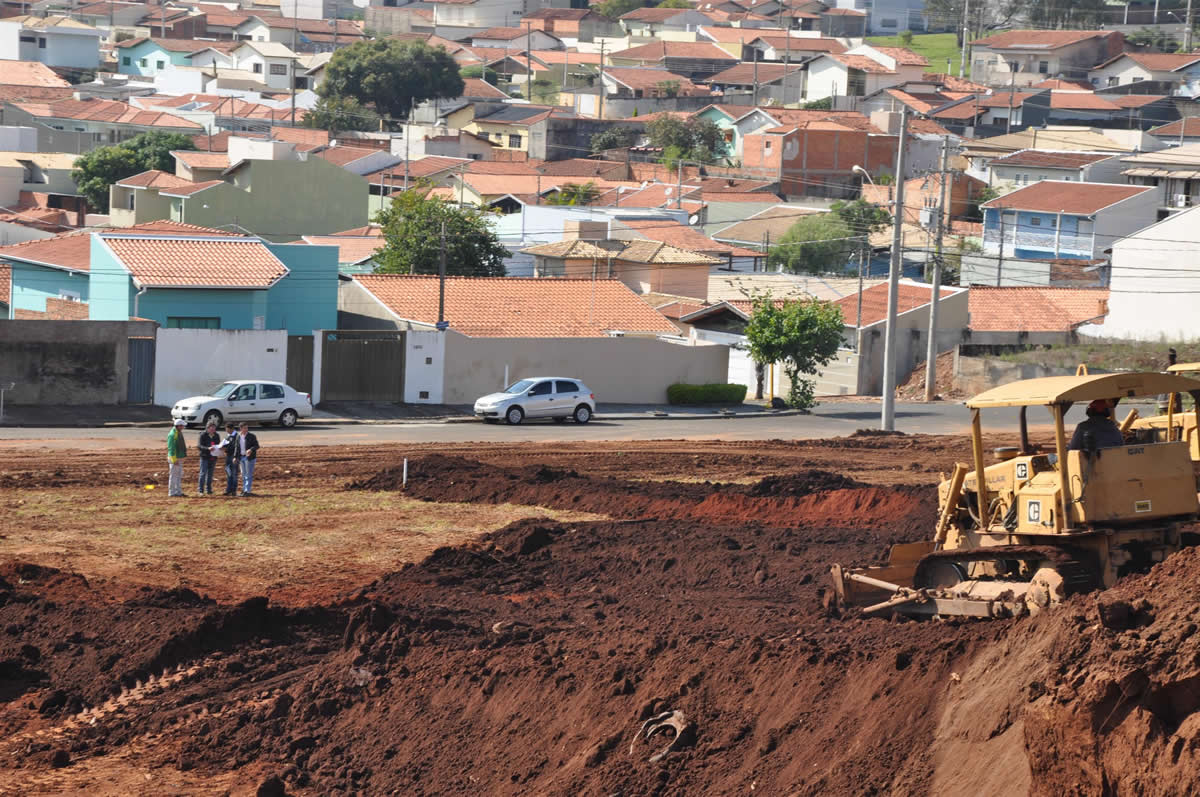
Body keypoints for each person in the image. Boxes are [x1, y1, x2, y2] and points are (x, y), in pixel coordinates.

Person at [236, 422, 260, 496]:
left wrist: (251, 450)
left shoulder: (251, 436)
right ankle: (244, 490)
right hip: (241, 457)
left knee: (248, 474)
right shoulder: (238, 436)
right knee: (243, 474)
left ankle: (247, 491)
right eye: (244, 428)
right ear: (240, 428)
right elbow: (236, 447)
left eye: (247, 428)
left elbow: (257, 445)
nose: (246, 429)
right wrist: (235, 457)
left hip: (249, 458)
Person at [197, 422, 220, 495]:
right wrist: (207, 448)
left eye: (214, 428)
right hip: (204, 456)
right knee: (203, 473)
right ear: (207, 428)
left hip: (213, 457)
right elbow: (199, 446)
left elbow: (218, 444)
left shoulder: (216, 435)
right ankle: (200, 490)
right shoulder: (203, 435)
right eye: (211, 428)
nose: (213, 429)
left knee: (210, 474)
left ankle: (209, 490)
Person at [166, 418, 187, 497]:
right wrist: (174, 460)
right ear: (178, 426)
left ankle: (178, 492)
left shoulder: (178, 432)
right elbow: (171, 448)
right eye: (182, 426)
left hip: (179, 457)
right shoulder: (172, 435)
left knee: (178, 475)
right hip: (175, 458)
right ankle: (172, 492)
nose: (183, 427)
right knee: (174, 475)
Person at [222, 421, 239, 496]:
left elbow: (236, 447)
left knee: (234, 474)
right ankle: (228, 489)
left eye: (227, 429)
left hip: (234, 457)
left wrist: (226, 449)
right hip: (228, 456)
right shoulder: (228, 436)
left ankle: (233, 490)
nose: (226, 430)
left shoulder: (237, 436)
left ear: (231, 429)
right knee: (229, 473)